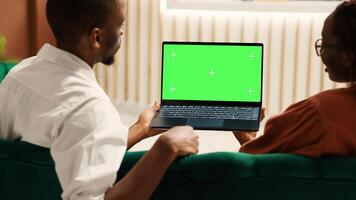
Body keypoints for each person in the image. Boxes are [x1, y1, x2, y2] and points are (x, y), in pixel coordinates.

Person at [0, 0, 199, 200]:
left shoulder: (18, 76)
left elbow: (73, 150)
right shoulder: (92, 107)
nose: (122, 32)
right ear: (97, 37)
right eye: (120, 24)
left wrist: (141, 128)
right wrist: (165, 148)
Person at [235, 0, 356, 157]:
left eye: (324, 45)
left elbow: (252, 164)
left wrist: (247, 141)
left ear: (347, 56)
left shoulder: (317, 115)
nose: (321, 53)